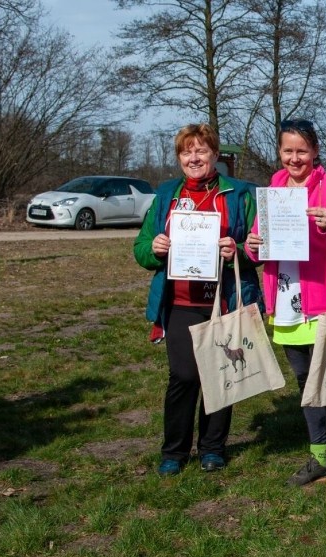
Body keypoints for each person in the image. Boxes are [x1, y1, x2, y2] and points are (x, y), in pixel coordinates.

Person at [244, 119, 326, 495]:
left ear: (315, 152)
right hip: (285, 300)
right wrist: (252, 243)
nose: (294, 158)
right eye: (287, 151)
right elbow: (256, 251)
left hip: (323, 301)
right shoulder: (273, 189)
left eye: (302, 150)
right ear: (279, 152)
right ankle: (318, 455)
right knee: (305, 384)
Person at [134, 123, 263, 476]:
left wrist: (234, 248)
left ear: (215, 156)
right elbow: (141, 248)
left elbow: (261, 247)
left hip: (224, 298)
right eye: (186, 151)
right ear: (179, 158)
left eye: (201, 151)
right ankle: (174, 451)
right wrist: (155, 248)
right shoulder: (166, 196)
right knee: (184, 375)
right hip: (179, 301)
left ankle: (212, 448)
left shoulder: (239, 194)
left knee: (221, 374)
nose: (194, 157)